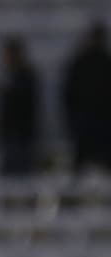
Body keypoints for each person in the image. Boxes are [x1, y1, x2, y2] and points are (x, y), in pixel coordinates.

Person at [61, 21, 111, 173]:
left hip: (101, 122)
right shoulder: (81, 62)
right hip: (87, 121)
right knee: (81, 165)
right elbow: (69, 93)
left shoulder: (104, 62)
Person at [0, 37, 39, 176]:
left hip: (21, 132)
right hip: (10, 132)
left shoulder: (26, 75)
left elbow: (23, 100)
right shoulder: (9, 74)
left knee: (21, 170)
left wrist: (7, 90)